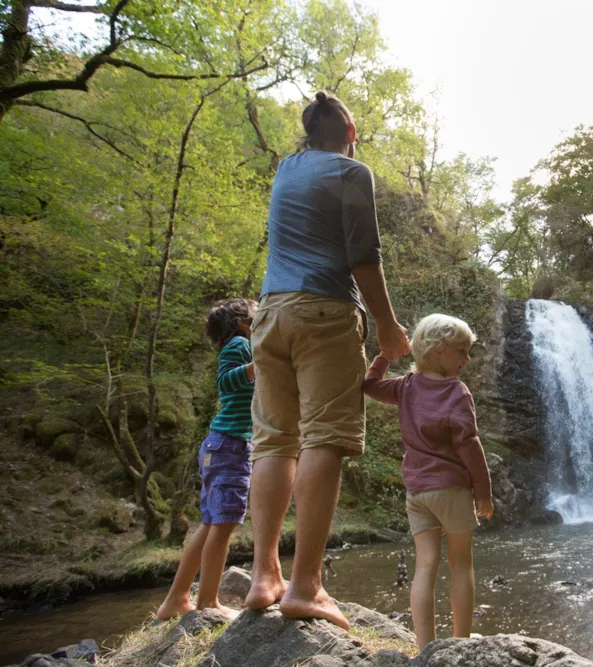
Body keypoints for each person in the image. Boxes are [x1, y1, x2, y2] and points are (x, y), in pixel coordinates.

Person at [245, 91, 410, 629]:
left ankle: (263, 576)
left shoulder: (287, 167)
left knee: (274, 439)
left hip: (268, 315)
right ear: (351, 131)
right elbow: (364, 258)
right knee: (325, 437)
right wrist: (387, 327)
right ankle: (306, 586)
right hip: (326, 312)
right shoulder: (351, 172)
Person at [362, 313, 494, 649]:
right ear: (438, 350)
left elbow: (370, 386)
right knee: (461, 566)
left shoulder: (405, 386)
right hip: (451, 488)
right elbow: (469, 444)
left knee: (425, 567)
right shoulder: (456, 392)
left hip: (417, 492)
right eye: (462, 351)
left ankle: (425, 647)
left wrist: (383, 357)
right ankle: (460, 642)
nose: (467, 359)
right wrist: (484, 493)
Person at [156, 298, 257, 621]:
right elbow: (226, 381)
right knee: (223, 525)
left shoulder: (242, 344)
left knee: (212, 523)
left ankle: (178, 598)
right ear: (243, 322)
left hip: (223, 445)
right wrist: (261, 364)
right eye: (258, 312)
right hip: (229, 446)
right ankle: (208, 602)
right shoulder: (239, 344)